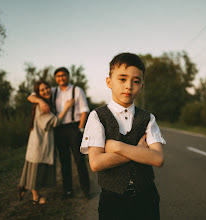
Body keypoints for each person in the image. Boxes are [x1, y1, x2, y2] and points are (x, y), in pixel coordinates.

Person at [80, 52, 166, 219]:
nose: (129, 86)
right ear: (109, 82)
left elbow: (158, 159)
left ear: (141, 86)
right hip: (113, 201)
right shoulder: (97, 116)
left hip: (147, 197)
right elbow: (96, 163)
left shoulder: (148, 118)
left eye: (136, 81)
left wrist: (118, 147)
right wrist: (140, 151)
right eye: (122, 79)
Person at [27, 67, 90, 199]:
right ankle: (68, 191)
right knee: (64, 161)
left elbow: (84, 110)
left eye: (63, 75)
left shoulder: (77, 90)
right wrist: (39, 100)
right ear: (56, 78)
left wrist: (80, 129)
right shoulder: (53, 91)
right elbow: (31, 96)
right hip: (59, 130)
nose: (61, 78)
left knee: (79, 160)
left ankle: (86, 189)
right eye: (58, 76)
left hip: (74, 128)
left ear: (68, 76)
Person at [18, 81, 74, 204]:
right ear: (39, 93)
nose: (46, 91)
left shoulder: (43, 102)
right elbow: (55, 122)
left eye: (47, 88)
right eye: (42, 90)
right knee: (37, 171)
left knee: (35, 170)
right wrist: (67, 107)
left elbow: (31, 95)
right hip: (40, 144)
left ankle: (25, 187)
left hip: (39, 142)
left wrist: (40, 100)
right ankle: (35, 198)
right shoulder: (41, 107)